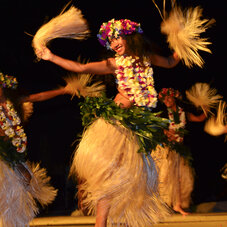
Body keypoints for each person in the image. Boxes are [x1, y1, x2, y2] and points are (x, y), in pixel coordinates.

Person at [34, 18, 182, 227]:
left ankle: (121, 219)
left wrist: (181, 42)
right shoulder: (114, 63)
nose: (114, 44)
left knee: (131, 175)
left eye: (117, 38)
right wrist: (51, 56)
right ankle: (100, 223)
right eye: (110, 41)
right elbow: (81, 68)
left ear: (129, 37)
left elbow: (170, 62)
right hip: (117, 123)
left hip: (138, 126)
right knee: (110, 171)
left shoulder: (146, 58)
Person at [0, 71, 71, 226]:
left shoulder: (13, 102)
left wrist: (63, 91)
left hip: (13, 155)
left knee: (24, 182)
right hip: (3, 157)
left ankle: (15, 221)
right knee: (9, 191)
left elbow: (38, 97)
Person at [151, 87, 208, 216]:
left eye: (169, 98)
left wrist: (206, 107)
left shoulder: (184, 114)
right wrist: (165, 132)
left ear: (174, 99)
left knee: (181, 179)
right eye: (164, 99)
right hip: (166, 151)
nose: (166, 101)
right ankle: (159, 206)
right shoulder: (163, 115)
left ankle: (177, 205)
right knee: (164, 178)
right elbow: (156, 127)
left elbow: (199, 119)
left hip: (179, 151)